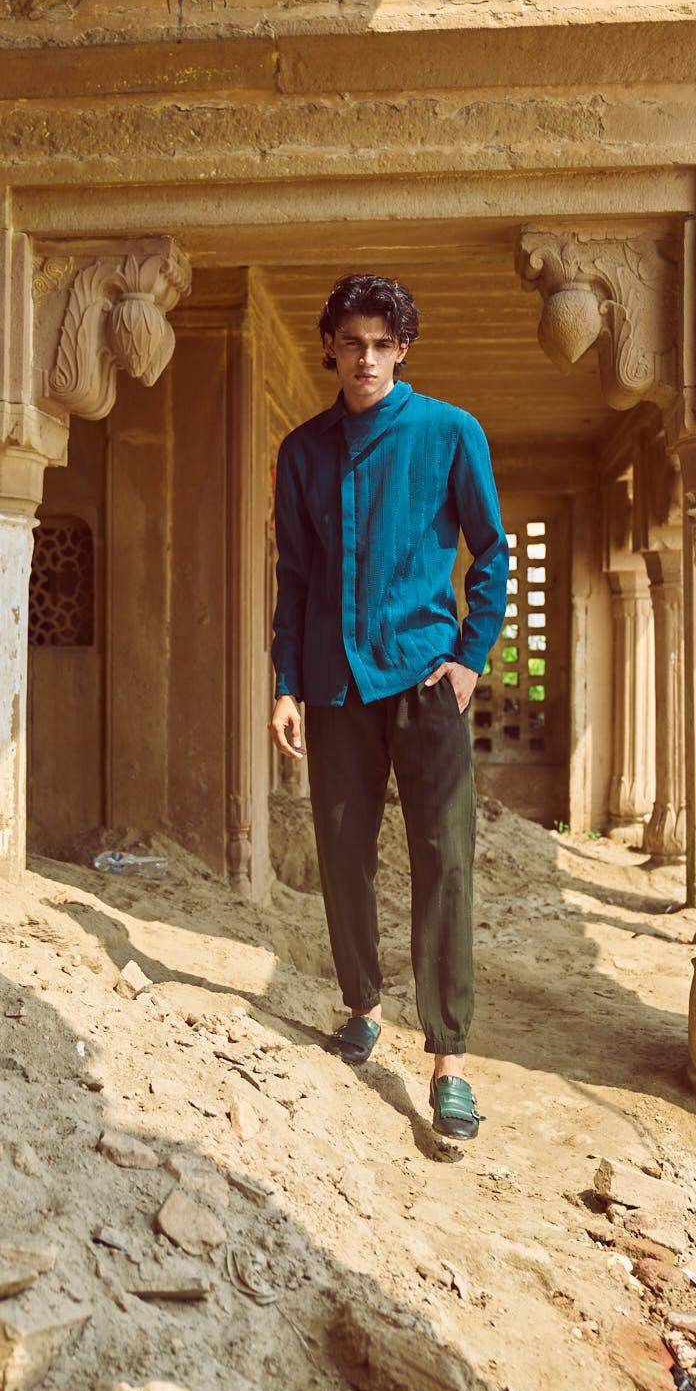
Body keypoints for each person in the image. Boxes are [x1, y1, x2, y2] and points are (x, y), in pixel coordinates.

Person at [269, 274, 509, 1139]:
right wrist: (286, 683)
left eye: (381, 344)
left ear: (401, 350)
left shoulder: (449, 432)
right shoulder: (303, 451)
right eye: (351, 343)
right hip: (334, 688)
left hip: (424, 684)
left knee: (444, 861)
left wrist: (469, 660)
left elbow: (491, 554)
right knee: (343, 855)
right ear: (330, 348)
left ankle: (449, 1061)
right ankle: (362, 1009)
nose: (365, 358)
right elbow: (294, 578)